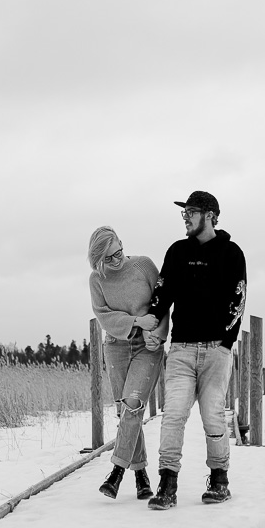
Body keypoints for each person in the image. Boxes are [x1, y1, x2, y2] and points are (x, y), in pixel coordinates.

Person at [142, 191, 246, 510]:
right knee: (173, 414)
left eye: (191, 211)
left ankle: (219, 481)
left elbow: (237, 301)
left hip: (216, 351)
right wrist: (152, 325)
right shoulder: (177, 252)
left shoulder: (231, 253)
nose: (185, 217)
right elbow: (162, 293)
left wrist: (224, 345)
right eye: (184, 212)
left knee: (213, 416)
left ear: (210, 215)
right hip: (182, 350)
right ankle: (167, 485)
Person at [88, 226, 169, 500]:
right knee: (126, 410)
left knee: (133, 403)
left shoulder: (143, 266)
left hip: (147, 347)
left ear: (123, 244)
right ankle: (141, 474)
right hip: (116, 346)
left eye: (118, 252)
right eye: (109, 258)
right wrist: (136, 321)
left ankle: (116, 472)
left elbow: (163, 302)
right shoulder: (96, 280)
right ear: (98, 259)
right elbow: (103, 316)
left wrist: (157, 334)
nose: (116, 260)